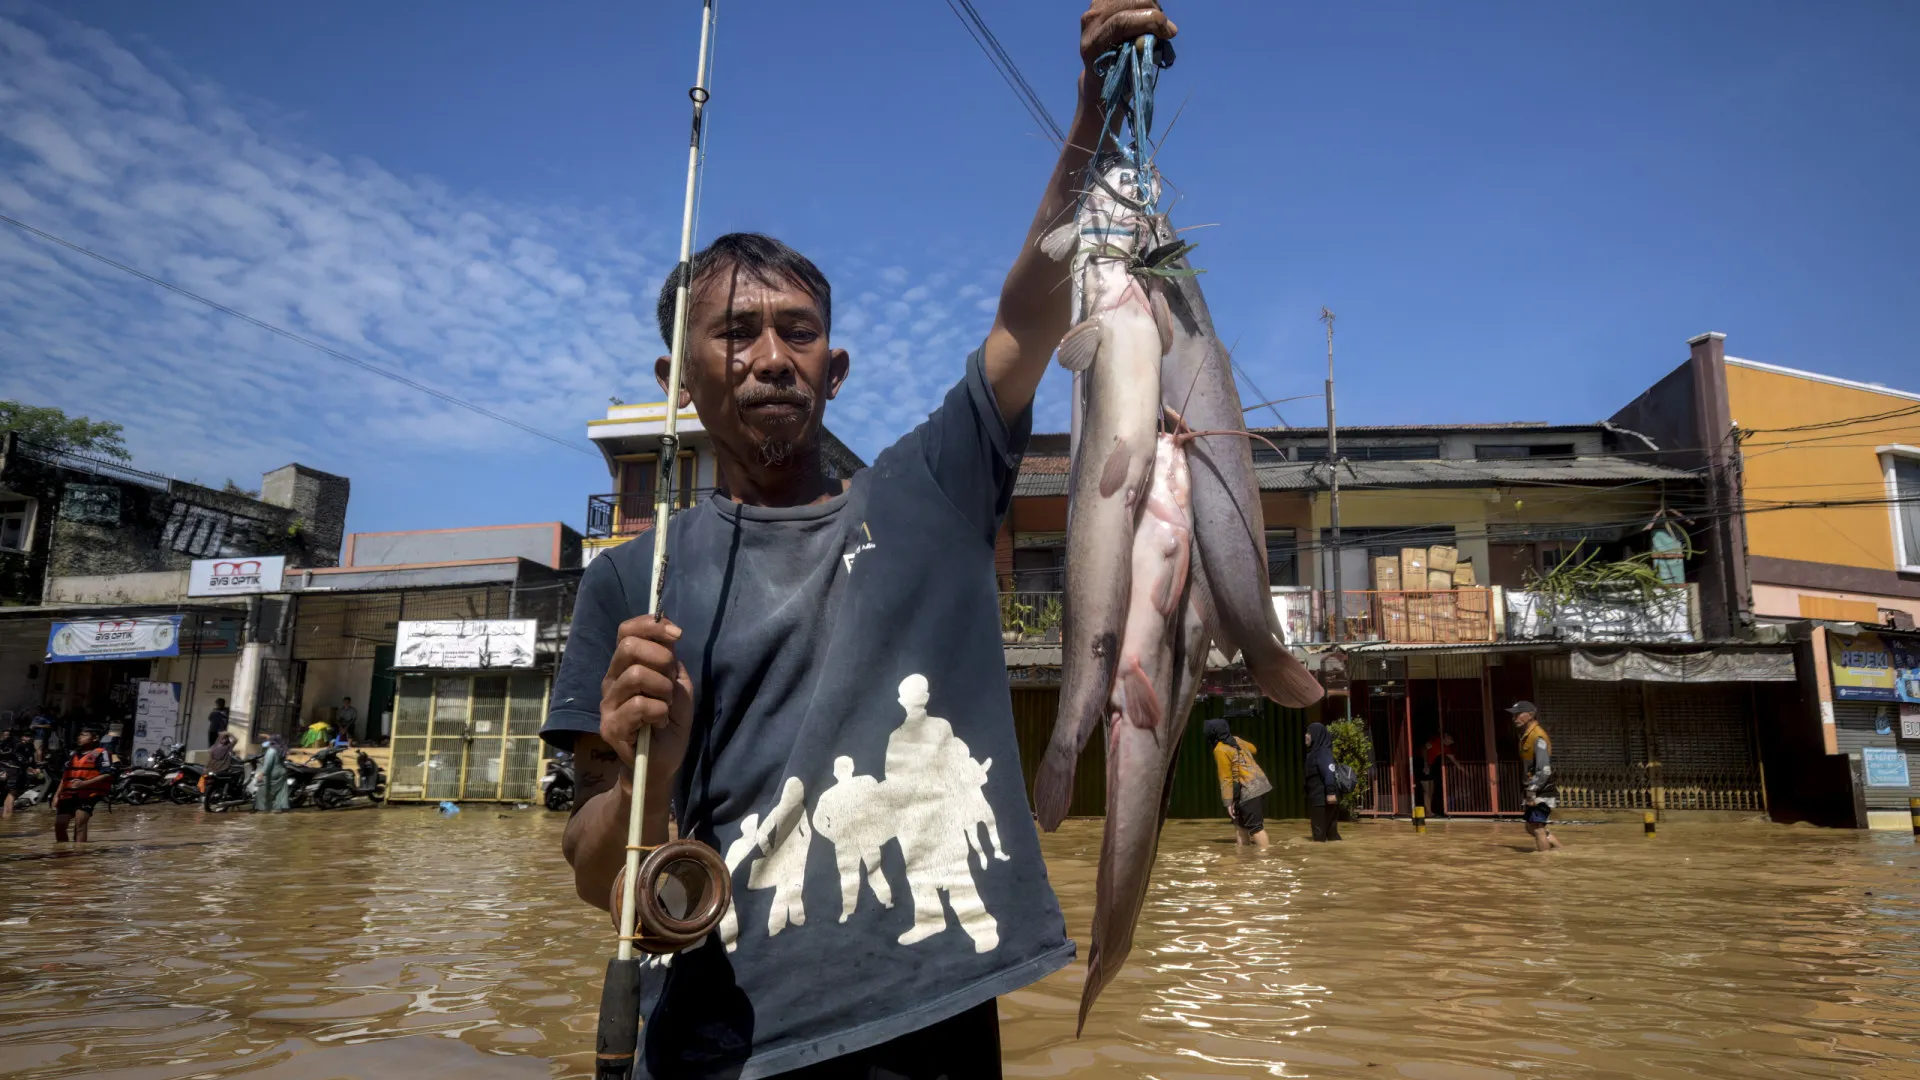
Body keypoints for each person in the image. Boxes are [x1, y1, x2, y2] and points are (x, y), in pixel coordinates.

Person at [540, 5, 1179, 1074]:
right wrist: (648, 772)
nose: (770, 356)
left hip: (928, 1031)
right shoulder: (629, 581)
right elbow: (587, 872)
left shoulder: (929, 489)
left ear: (835, 371)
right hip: (717, 1040)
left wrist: (1094, 115)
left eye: (799, 331)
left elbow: (1028, 314)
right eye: (735, 333)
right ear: (677, 381)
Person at [1206, 716, 1270, 848]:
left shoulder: (1220, 749)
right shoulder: (1237, 740)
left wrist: (1228, 802)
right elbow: (1253, 749)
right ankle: (1243, 858)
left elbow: (1226, 778)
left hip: (1247, 789)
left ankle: (1266, 860)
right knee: (1239, 824)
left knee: (1256, 827)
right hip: (1260, 784)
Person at [1509, 701, 1562, 852]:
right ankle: (1561, 850)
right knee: (1531, 826)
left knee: (1538, 828)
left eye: (1518, 714)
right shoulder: (1527, 735)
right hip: (1534, 788)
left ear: (1530, 715)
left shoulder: (1538, 736)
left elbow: (1544, 769)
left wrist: (1532, 790)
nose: (1514, 718)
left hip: (1541, 789)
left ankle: (1545, 862)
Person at [53, 728, 113, 842]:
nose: (79, 738)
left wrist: (84, 784)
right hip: (68, 794)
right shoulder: (73, 754)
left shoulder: (101, 753)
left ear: (95, 738)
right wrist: (57, 795)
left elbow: (107, 774)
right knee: (60, 824)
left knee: (80, 822)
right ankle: (62, 854)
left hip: (88, 794)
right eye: (79, 735)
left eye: (84, 735)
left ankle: (79, 854)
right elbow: (65, 776)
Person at [1303, 722, 1342, 842]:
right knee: (1331, 833)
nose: (1306, 736)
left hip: (1322, 800)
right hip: (1320, 799)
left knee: (1319, 835)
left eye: (1309, 733)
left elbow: (1329, 771)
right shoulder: (1315, 752)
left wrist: (1330, 793)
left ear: (1316, 735)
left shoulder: (1322, 752)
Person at [1417, 732, 1458, 817]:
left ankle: (1429, 811)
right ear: (1446, 737)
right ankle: (1428, 812)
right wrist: (1425, 765)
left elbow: (1455, 761)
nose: (1452, 742)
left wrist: (1467, 772)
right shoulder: (1435, 741)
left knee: (1431, 790)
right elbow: (1424, 749)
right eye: (1451, 739)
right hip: (1422, 764)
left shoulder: (1446, 748)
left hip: (1430, 766)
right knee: (1427, 789)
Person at [255, 734, 290, 813]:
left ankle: (263, 809)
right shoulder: (282, 749)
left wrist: (261, 774)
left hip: (273, 773)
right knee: (281, 792)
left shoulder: (271, 751)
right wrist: (267, 736)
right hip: (282, 772)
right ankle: (281, 808)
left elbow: (268, 765)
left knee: (263, 791)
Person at [0, 728, 25, 817]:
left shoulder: (2, 743)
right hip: (12, 769)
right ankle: (7, 817)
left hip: (3, 769)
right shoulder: (18, 744)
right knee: (12, 793)